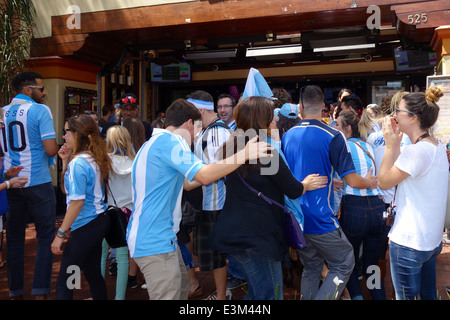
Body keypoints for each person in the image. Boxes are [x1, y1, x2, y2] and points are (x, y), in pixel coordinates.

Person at [126, 98, 272, 300]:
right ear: (188, 123)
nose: (197, 136)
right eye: (198, 128)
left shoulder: (153, 142)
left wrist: (223, 169)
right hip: (155, 240)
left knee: (182, 289)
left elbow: (188, 182)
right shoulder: (172, 142)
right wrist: (243, 155)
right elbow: (203, 175)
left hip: (154, 236)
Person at [209, 96, 328, 300]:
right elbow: (292, 189)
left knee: (257, 292)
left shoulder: (231, 148)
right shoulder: (266, 151)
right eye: (271, 115)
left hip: (234, 232)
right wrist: (306, 184)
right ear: (261, 121)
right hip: (258, 237)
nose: (275, 120)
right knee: (270, 295)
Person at [282, 85, 378, 300]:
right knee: (345, 262)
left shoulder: (287, 136)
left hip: (297, 217)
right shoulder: (334, 136)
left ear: (301, 107)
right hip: (321, 216)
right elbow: (352, 179)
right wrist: (369, 182)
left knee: (312, 267)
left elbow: (288, 176)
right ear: (324, 108)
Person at [378, 86, 447, 300]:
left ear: (413, 118)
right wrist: (396, 143)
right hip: (430, 240)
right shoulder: (436, 146)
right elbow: (402, 169)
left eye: (398, 111)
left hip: (409, 241)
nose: (394, 115)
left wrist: (390, 145)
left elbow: (383, 182)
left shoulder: (417, 152)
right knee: (428, 295)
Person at [1, 71, 59, 300]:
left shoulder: (2, 112)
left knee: (14, 238)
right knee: (45, 236)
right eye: (41, 88)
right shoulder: (39, 110)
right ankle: (40, 292)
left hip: (12, 182)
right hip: (38, 182)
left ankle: (15, 292)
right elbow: (50, 149)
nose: (44, 93)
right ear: (28, 89)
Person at [52, 114, 112, 300]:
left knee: (67, 279)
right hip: (96, 222)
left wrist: (60, 234)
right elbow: (69, 192)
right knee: (92, 273)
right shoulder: (91, 157)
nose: (64, 136)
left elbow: (76, 202)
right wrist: (65, 161)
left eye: (67, 132)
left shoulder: (79, 163)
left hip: (86, 226)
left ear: (78, 134)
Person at [334, 110, 389, 300]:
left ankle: (356, 296)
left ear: (348, 128)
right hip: (377, 207)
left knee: (348, 262)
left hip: (354, 208)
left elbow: (349, 180)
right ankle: (378, 297)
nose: (334, 128)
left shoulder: (341, 145)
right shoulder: (367, 146)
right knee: (371, 263)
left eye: (337, 125)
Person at [188, 90, 232, 300]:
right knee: (216, 255)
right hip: (211, 201)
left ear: (200, 110)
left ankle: (222, 296)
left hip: (214, 202)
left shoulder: (215, 133)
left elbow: (219, 169)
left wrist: (190, 182)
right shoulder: (210, 131)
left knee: (216, 256)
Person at [100, 125, 135, 300]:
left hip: (106, 212)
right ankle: (119, 298)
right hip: (128, 214)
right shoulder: (135, 162)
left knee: (101, 253)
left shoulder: (103, 162)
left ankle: (97, 293)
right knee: (123, 258)